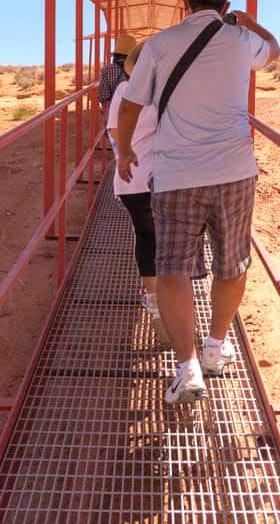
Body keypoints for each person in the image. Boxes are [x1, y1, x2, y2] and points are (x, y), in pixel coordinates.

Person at [115, 0, 280, 404]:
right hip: (234, 171)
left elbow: (130, 105)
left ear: (185, 0)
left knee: (173, 269)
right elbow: (276, 51)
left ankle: (186, 369)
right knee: (232, 262)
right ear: (226, 3)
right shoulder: (242, 39)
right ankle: (215, 346)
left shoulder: (159, 44)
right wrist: (250, 23)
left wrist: (126, 150)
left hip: (175, 175)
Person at [105, 41, 165, 341]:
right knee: (174, 239)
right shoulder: (171, 91)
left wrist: (126, 152)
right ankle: (176, 303)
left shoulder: (124, 92)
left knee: (145, 235)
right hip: (170, 178)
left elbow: (115, 132)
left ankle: (154, 301)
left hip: (133, 177)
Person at [99, 33, 136, 118]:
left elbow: (103, 96)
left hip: (114, 115)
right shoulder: (139, 68)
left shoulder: (106, 70)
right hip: (135, 115)